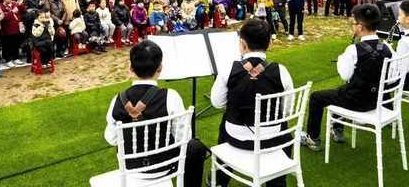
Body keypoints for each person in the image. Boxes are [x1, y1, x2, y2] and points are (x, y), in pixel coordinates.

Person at [104, 40, 207, 186]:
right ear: (160, 68)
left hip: (130, 169)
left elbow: (111, 138)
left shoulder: (117, 99)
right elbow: (183, 137)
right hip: (166, 166)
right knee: (195, 147)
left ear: (131, 68)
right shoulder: (171, 96)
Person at [210, 18, 293, 187]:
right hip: (271, 136)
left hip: (236, 135)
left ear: (242, 44)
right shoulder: (281, 71)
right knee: (284, 125)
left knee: (226, 119)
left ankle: (220, 180)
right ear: (270, 43)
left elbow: (217, 102)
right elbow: (287, 110)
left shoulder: (229, 69)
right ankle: (277, 180)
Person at [301, 4, 393, 151]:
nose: (353, 26)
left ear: (360, 27)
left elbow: (345, 75)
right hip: (376, 100)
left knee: (316, 97)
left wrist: (341, 59)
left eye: (354, 24)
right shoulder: (387, 48)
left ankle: (313, 138)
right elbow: (392, 76)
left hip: (357, 102)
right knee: (341, 91)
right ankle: (337, 129)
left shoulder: (353, 50)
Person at [0, 0, 25, 67]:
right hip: (6, 30)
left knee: (16, 44)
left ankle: (16, 58)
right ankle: (8, 59)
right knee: (7, 45)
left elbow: (23, 11)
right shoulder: (1, 6)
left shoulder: (15, 4)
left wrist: (21, 4)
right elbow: (4, 17)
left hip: (16, 27)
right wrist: (12, 11)